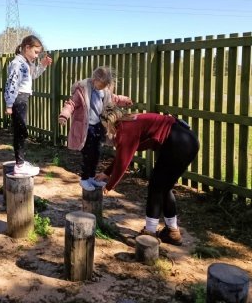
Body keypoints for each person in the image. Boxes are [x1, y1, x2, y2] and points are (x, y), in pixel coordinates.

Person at [95, 103, 200, 245]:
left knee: (156, 187)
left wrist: (110, 185)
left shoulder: (125, 130)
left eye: (104, 128)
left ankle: (149, 233)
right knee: (164, 188)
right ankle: (172, 232)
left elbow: (123, 163)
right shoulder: (130, 122)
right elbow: (122, 156)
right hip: (188, 140)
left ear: (109, 124)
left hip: (177, 143)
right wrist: (106, 173)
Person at [58, 66, 133, 191]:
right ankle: (84, 179)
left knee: (96, 153)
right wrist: (64, 115)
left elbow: (114, 98)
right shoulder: (82, 90)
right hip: (85, 128)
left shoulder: (104, 91)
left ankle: (92, 177)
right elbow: (71, 104)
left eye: (105, 86)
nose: (102, 87)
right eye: (101, 85)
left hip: (98, 126)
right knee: (88, 154)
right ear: (95, 79)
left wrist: (125, 100)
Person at [4, 35, 52, 176]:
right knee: (20, 132)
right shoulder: (18, 63)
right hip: (18, 99)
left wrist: (43, 65)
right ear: (27, 47)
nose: (37, 56)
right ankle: (19, 165)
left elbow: (33, 75)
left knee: (22, 131)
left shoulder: (26, 63)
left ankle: (21, 162)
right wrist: (9, 104)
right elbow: (11, 84)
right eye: (35, 52)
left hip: (22, 99)